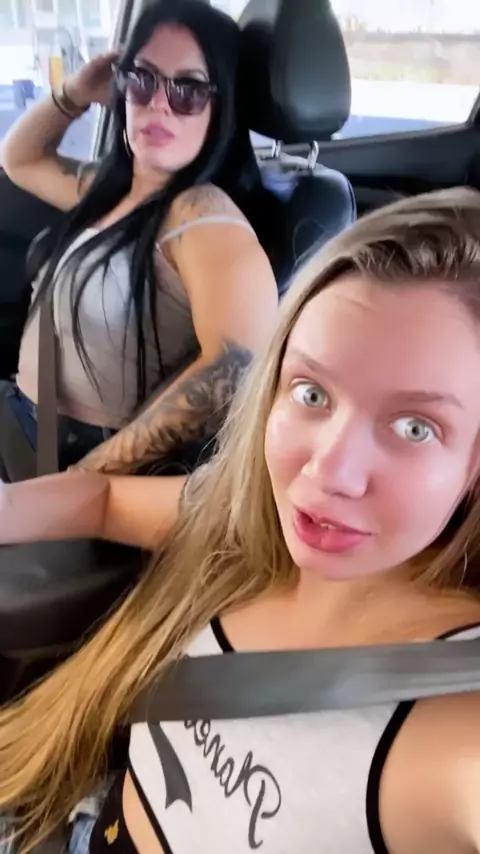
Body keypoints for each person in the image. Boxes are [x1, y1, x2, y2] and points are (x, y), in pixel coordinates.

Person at [4, 187, 480, 854]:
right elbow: (102, 499)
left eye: (415, 427)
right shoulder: (245, 524)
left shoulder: (456, 711)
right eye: (311, 393)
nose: (329, 473)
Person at [0, 0, 278, 476]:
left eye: (188, 89)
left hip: (74, 457)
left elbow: (234, 369)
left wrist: (88, 480)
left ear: (222, 107)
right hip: (21, 421)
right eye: (142, 79)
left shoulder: (205, 219)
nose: (159, 103)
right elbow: (19, 158)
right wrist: (77, 91)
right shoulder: (113, 191)